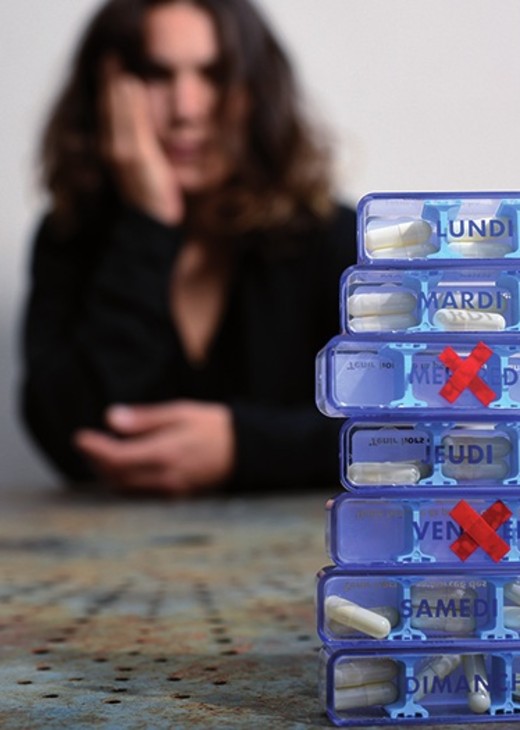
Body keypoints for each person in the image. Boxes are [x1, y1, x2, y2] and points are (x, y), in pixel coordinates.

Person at [20, 0, 357, 496]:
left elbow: (402, 428)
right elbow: (68, 434)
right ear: (108, 93)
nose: (186, 109)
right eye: (156, 76)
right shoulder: (69, 238)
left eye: (214, 75)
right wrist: (149, 221)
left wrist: (243, 447)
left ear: (255, 91)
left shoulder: (330, 238)